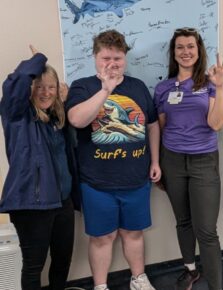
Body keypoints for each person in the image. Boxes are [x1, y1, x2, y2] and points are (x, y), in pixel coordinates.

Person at [66, 29, 161, 290]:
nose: (112, 64)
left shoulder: (138, 87)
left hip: (136, 179)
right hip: (96, 183)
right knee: (102, 237)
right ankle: (100, 286)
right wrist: (105, 90)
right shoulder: (82, 86)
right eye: (106, 58)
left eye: (117, 58)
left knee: (133, 233)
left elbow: (152, 125)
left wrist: (155, 161)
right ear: (95, 57)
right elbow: (76, 119)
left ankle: (138, 279)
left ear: (125, 58)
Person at [153, 27, 223, 290]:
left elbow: (216, 123)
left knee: (206, 231)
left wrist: (220, 88)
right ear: (173, 53)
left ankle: (216, 286)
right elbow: (160, 128)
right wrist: (158, 164)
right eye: (180, 47)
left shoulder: (209, 84)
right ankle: (190, 270)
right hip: (172, 161)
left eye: (190, 46)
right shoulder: (163, 88)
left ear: (199, 52)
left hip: (203, 162)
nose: (185, 51)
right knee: (183, 221)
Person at [0, 45, 78, 290]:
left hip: (62, 202)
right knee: (34, 267)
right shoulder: (17, 115)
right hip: (32, 205)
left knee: (62, 261)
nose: (45, 92)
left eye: (51, 87)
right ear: (30, 90)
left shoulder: (56, 119)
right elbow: (17, 81)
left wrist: (63, 104)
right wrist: (39, 59)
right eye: (39, 86)